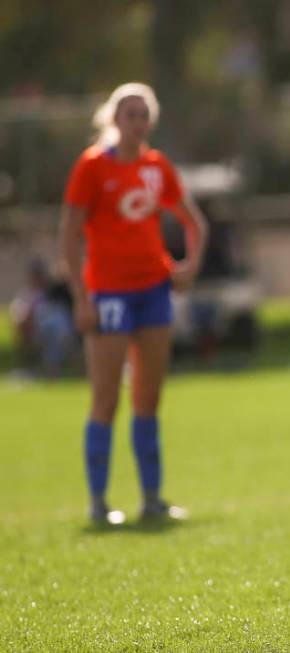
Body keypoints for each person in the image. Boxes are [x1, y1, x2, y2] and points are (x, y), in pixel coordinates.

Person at [59, 82, 208, 525]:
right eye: (129, 113)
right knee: (105, 399)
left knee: (148, 397)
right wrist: (81, 297)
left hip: (153, 291)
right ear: (113, 119)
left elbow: (193, 222)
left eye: (143, 114)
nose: (137, 121)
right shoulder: (91, 167)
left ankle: (151, 499)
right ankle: (100, 504)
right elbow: (68, 236)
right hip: (107, 292)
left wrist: (188, 266)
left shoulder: (157, 166)